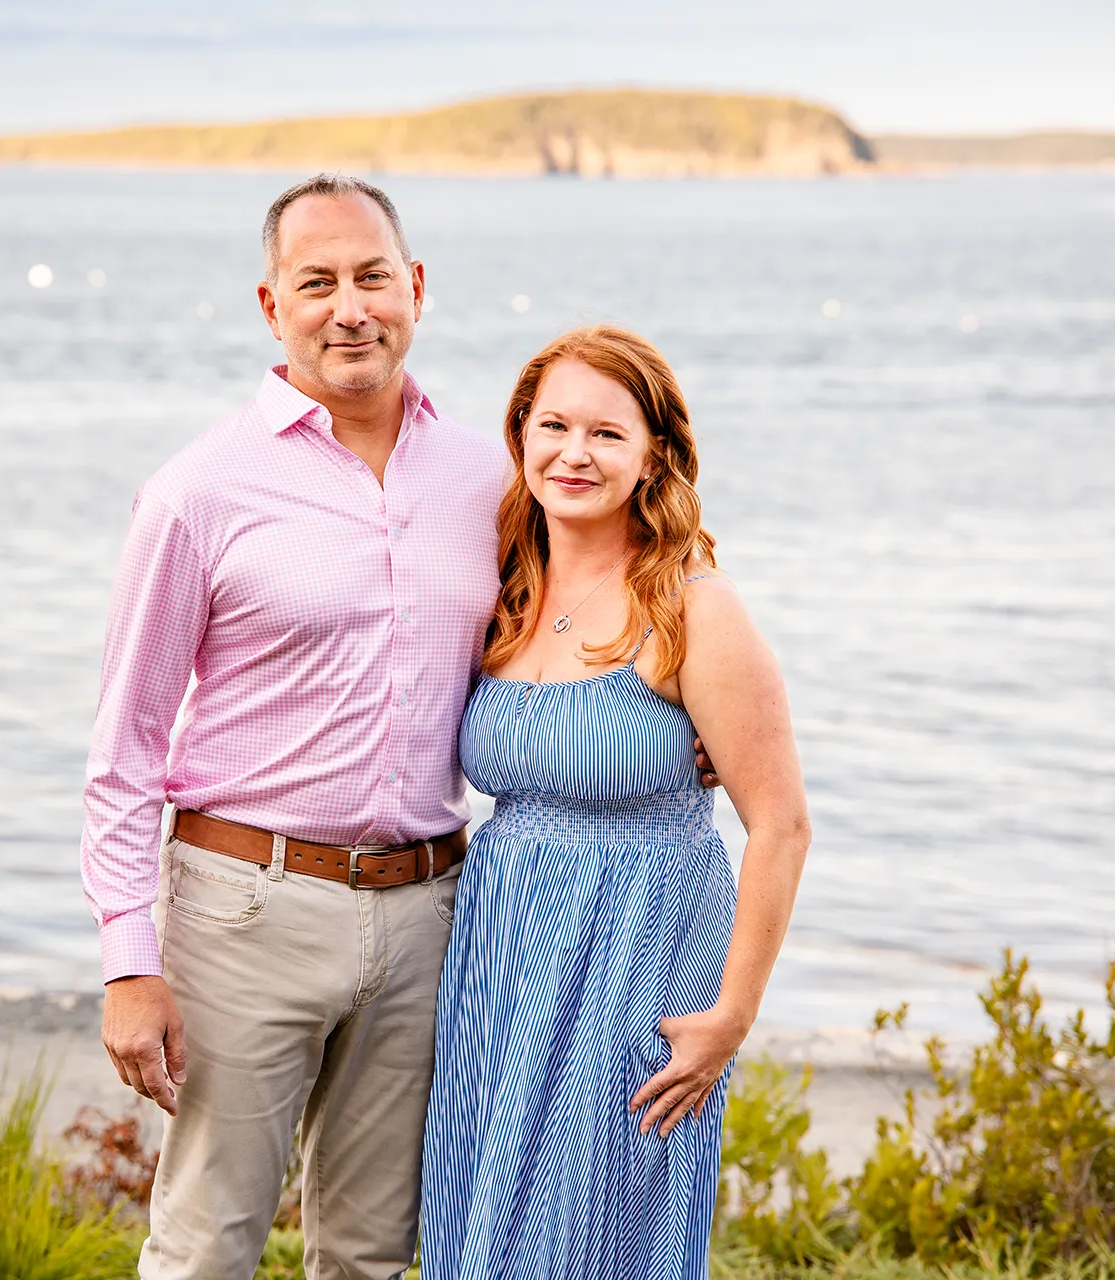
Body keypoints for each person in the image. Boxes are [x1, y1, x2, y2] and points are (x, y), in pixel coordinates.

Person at [78, 173, 504, 1280]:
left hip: (427, 914)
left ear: (415, 289)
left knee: (369, 1252)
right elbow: (123, 750)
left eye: (371, 276)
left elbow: (574, 626)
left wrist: (681, 713)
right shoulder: (198, 491)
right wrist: (130, 959)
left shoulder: (490, 477)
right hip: (244, 912)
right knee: (207, 1244)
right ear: (272, 306)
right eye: (316, 282)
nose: (348, 306)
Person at [419, 326, 811, 1280]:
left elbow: (782, 825)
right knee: (478, 1231)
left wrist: (732, 1016)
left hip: (637, 962)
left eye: (606, 433)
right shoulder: (503, 587)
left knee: (596, 1236)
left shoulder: (692, 606)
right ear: (520, 438)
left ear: (654, 457)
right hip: (497, 965)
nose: (575, 453)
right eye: (553, 425)